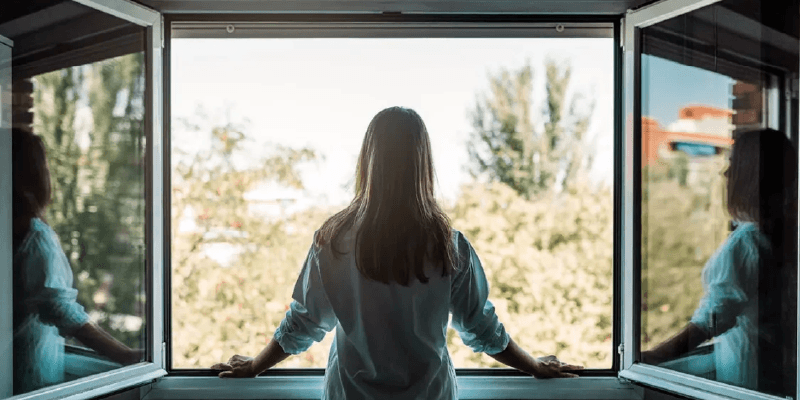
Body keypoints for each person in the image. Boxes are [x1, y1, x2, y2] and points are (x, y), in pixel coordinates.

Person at [210, 107, 582, 399]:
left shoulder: (334, 241)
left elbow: (304, 322)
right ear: (423, 166)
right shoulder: (447, 245)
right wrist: (533, 365)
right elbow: (479, 327)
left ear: (368, 163)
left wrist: (255, 366)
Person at [641, 128, 797, 396]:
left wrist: (648, 358)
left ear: (750, 175)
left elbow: (709, 322)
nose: (724, 174)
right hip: (777, 380)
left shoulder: (747, 242)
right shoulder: (786, 234)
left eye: (733, 164)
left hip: (747, 387)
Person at [12, 128, 141, 395]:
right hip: (28, 379)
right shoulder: (35, 237)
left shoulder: (11, 230)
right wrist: (127, 356)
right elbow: (62, 311)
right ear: (35, 175)